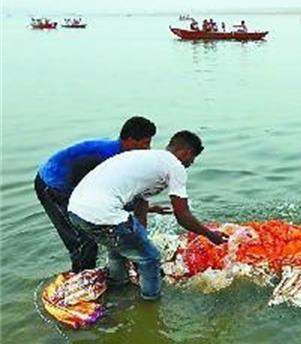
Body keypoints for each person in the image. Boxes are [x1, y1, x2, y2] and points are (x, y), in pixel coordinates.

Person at [68, 131, 229, 300]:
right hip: (101, 214)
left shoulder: (147, 159)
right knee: (150, 259)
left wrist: (139, 238)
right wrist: (211, 235)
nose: (191, 163)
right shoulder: (175, 166)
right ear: (187, 152)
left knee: (119, 247)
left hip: (76, 211)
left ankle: (118, 287)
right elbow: (183, 215)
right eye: (192, 159)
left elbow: (140, 206)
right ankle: (150, 304)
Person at [35, 116, 157, 272]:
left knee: (105, 229)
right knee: (82, 242)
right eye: (146, 143)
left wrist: (143, 207)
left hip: (75, 186)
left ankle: (104, 272)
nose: (148, 149)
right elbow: (98, 196)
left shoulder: (122, 155)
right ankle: (81, 283)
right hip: (53, 186)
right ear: (130, 140)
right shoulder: (106, 158)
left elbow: (111, 195)